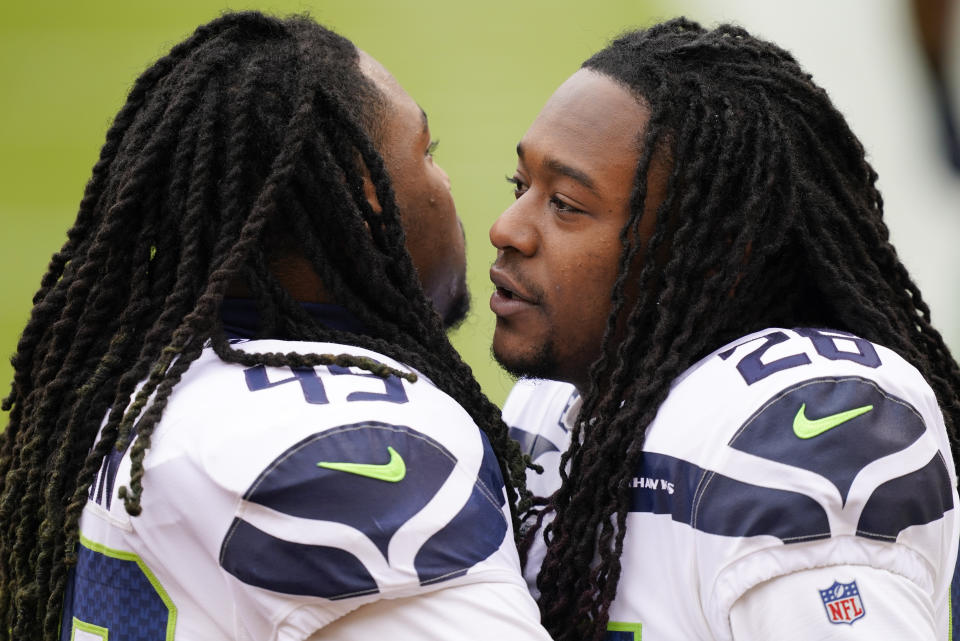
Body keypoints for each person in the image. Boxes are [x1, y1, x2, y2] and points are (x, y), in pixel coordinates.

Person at [0, 11, 551, 641]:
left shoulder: (123, 390)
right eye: (428, 153)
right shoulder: (354, 445)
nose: (446, 182)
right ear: (365, 198)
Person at [490, 17, 960, 641]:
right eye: (520, 186)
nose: (507, 228)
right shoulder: (551, 401)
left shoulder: (795, 432)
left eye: (566, 205)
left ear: (705, 253)